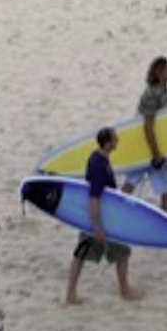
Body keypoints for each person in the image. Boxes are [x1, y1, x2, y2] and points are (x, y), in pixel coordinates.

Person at [63, 125, 141, 303]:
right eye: (115, 139)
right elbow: (94, 197)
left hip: (100, 214)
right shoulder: (98, 165)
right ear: (107, 144)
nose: (117, 142)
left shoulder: (100, 158)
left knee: (81, 253)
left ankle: (70, 295)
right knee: (121, 251)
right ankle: (124, 291)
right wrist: (97, 226)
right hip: (100, 217)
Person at [126, 55, 167, 215]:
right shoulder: (153, 94)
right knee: (132, 180)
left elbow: (160, 123)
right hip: (143, 141)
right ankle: (164, 218)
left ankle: (164, 218)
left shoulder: (164, 90)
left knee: (137, 180)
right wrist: (156, 153)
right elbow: (148, 126)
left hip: (152, 141)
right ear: (159, 73)